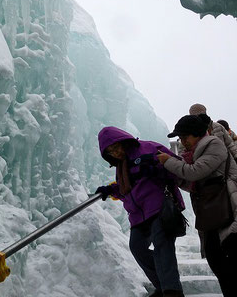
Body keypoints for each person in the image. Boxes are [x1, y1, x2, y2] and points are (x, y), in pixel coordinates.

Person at [95, 126, 185, 297]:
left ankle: (172, 291)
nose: (115, 153)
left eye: (115, 147)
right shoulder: (121, 166)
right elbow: (127, 189)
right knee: (137, 248)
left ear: (122, 141)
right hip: (139, 215)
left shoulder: (148, 148)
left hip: (159, 207)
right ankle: (162, 285)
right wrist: (109, 190)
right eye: (110, 152)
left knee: (162, 247)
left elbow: (176, 166)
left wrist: (157, 169)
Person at [157, 114, 237, 297]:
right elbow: (193, 183)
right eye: (180, 138)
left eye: (185, 137)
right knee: (216, 260)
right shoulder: (193, 154)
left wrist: (168, 162)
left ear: (197, 134)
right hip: (213, 215)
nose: (182, 142)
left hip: (230, 210)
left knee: (227, 262)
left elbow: (194, 172)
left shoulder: (214, 144)